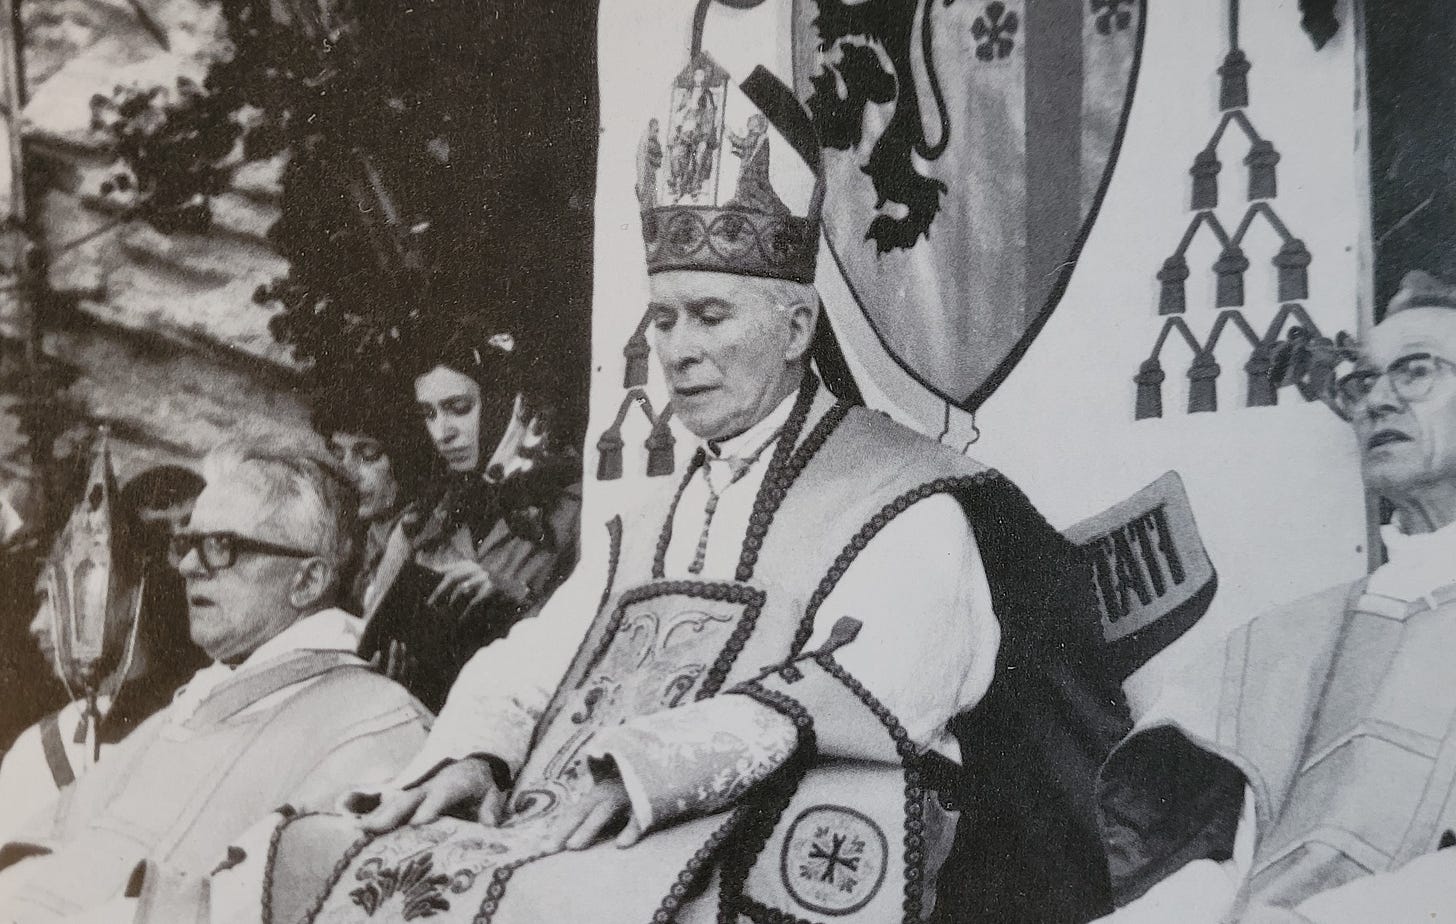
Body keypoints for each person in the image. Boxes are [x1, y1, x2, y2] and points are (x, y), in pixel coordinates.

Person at [201, 52, 1127, 924]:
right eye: (665, 320)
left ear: (796, 326)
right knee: (329, 859)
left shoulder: (905, 496)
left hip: (799, 844)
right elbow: (538, 655)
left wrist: (647, 768)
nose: (677, 350)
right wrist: (477, 751)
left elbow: (879, 684)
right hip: (627, 829)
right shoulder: (651, 522)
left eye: (711, 316)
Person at [1095, 270, 1456, 924]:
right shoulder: (1302, 635)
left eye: (1416, 371)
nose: (1377, 400)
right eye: (1362, 381)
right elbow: (1241, 870)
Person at [0, 443, 431, 922]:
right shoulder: (201, 698)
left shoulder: (378, 724)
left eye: (222, 546)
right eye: (188, 544)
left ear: (308, 580)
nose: (187, 566)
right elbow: (48, 841)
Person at [358, 333, 582, 712]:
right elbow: (370, 634)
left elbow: (588, 632)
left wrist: (509, 594)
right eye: (429, 414)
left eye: (459, 408)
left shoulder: (574, 505)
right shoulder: (421, 519)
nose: (442, 433)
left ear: (505, 403)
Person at [0, 466, 209, 838]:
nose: (38, 625)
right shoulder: (43, 744)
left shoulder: (198, 719)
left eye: (56, 598)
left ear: (128, 595)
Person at [310, 382, 432, 611]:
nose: (348, 472)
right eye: (338, 454)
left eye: (367, 454)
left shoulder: (423, 540)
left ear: (404, 457)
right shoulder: (359, 534)